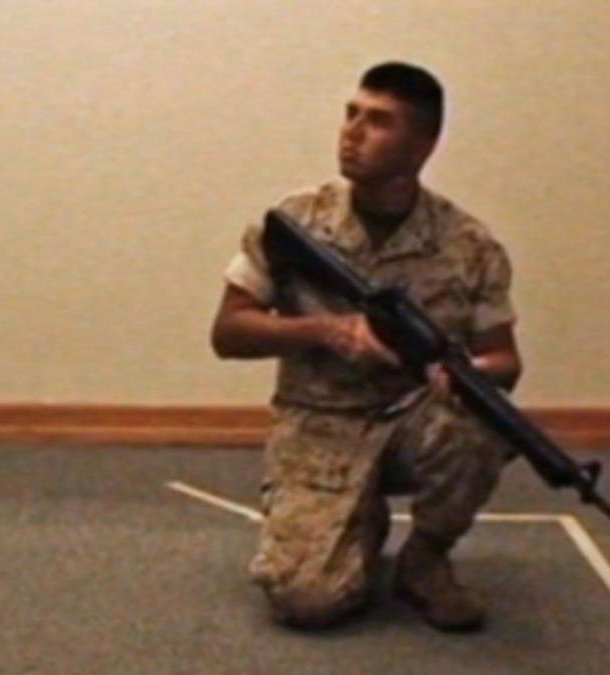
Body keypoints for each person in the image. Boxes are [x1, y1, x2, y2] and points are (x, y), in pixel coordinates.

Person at [210, 62, 522, 632]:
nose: (352, 132)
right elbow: (228, 332)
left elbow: (504, 360)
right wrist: (328, 331)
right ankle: (357, 523)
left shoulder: (469, 245)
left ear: (422, 146)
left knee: (485, 420)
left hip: (414, 420)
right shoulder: (296, 222)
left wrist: (467, 373)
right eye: (351, 114)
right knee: (307, 601)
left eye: (378, 121)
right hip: (319, 423)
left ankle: (425, 560)